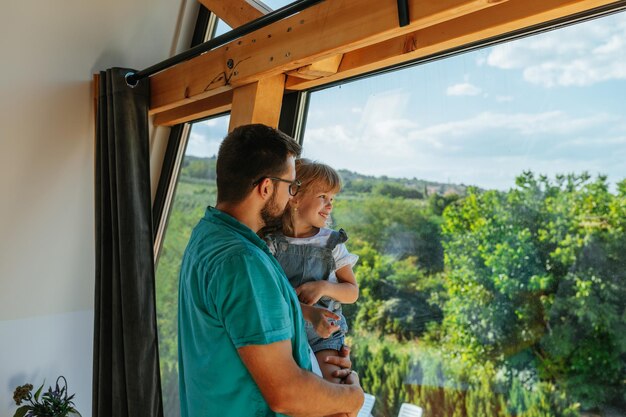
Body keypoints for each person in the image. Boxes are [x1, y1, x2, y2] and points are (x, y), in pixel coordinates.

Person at [178, 124, 364, 417]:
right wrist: (350, 398)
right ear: (266, 187)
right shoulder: (243, 263)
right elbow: (285, 392)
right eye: (290, 186)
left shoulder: (208, 235)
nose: (292, 195)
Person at [265, 159, 359, 383]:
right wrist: (306, 312)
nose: (330, 205)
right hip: (283, 333)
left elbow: (352, 292)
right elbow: (269, 297)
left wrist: (325, 287)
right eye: (323, 197)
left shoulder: (332, 243)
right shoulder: (271, 243)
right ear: (295, 197)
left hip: (323, 337)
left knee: (332, 389)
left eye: (332, 199)